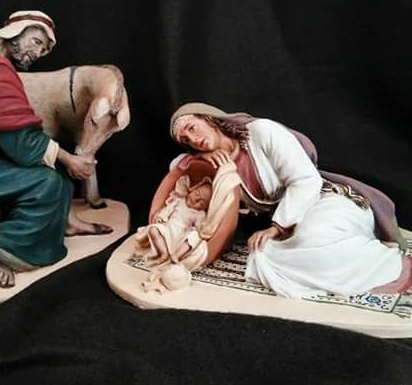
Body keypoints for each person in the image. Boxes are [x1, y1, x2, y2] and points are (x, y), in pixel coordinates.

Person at [0, 10, 110, 289]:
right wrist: (68, 158)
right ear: (14, 34)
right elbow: (19, 142)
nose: (37, 53)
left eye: (44, 49)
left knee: (54, 171)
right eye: (36, 42)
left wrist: (57, 158)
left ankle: (67, 224)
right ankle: (5, 249)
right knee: (48, 182)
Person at [169, 102, 412, 299]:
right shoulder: (217, 165)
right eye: (186, 140)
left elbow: (305, 180)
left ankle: (392, 266)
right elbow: (177, 170)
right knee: (263, 255)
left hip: (325, 200)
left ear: (209, 119)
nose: (194, 139)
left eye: (192, 128)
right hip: (291, 220)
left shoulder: (262, 132)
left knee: (314, 237)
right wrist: (199, 159)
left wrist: (277, 227)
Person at [135, 176, 213, 266]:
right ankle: (164, 252)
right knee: (153, 229)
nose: (196, 200)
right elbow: (167, 210)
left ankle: (176, 255)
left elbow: (199, 228)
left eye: (201, 203)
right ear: (192, 189)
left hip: (181, 236)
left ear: (205, 208)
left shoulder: (199, 214)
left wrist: (195, 230)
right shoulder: (179, 201)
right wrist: (162, 216)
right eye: (197, 194)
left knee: (194, 236)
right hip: (168, 229)